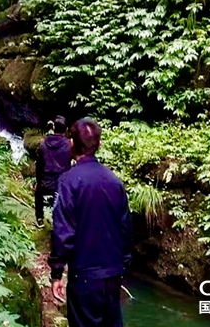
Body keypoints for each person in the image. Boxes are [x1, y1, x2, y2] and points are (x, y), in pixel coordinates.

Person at [48, 118, 132, 327]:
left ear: (72, 144)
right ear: (99, 145)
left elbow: (63, 231)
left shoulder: (68, 181)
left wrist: (57, 272)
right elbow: (126, 229)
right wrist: (123, 265)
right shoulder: (114, 181)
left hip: (84, 276)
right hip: (113, 274)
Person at [35, 116, 72, 228]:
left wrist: (38, 182)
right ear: (66, 130)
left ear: (53, 127)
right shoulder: (69, 145)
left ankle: (40, 218)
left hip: (46, 182)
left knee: (38, 192)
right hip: (62, 184)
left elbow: (39, 166)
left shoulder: (43, 144)